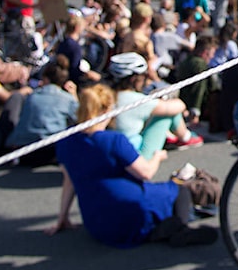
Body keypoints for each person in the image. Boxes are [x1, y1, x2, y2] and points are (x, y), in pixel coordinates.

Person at [45, 84, 218, 248]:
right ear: (106, 110)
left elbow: (69, 182)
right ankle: (181, 228)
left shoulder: (66, 142)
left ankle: (160, 229)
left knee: (155, 197)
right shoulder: (114, 140)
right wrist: (157, 157)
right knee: (178, 189)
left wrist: (63, 217)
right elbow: (146, 173)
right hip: (130, 209)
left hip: (96, 223)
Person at [108, 53, 202, 159]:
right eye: (144, 75)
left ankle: (180, 137)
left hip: (110, 152)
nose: (146, 80)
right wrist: (164, 100)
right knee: (166, 114)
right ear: (133, 79)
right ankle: (186, 137)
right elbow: (179, 106)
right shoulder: (135, 100)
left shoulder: (106, 95)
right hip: (133, 156)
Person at [4, 55, 79, 167]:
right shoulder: (67, 99)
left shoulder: (32, 96)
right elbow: (81, 118)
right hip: (51, 151)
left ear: (45, 79)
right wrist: (74, 96)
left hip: (25, 151)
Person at [172, 35, 219, 127]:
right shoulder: (200, 64)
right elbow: (199, 89)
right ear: (205, 52)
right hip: (199, 108)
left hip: (184, 104)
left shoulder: (186, 61)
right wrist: (195, 112)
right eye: (212, 53)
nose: (213, 56)